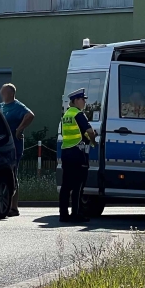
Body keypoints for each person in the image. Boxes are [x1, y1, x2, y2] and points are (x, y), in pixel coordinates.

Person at [59, 89, 96, 223]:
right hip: (78, 153)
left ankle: (63, 215)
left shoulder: (66, 115)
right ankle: (76, 214)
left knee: (65, 186)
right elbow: (89, 131)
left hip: (66, 153)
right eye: (82, 99)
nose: (85, 102)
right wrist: (93, 141)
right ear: (75, 101)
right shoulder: (78, 114)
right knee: (78, 186)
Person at [0, 83, 34, 217]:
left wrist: (19, 129)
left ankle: (14, 207)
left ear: (10, 93)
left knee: (12, 174)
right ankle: (6, 204)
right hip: (2, 145)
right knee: (5, 174)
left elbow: (30, 115)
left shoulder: (17, 106)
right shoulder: (1, 106)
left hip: (14, 147)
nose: (1, 94)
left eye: (3, 92)